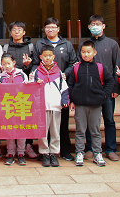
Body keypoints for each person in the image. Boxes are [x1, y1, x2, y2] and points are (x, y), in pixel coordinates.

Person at [32, 17, 77, 161]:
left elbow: (73, 63)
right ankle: (44, 153)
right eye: (47, 27)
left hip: (60, 86)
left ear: (58, 29)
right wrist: (35, 76)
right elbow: (35, 63)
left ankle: (63, 150)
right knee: (44, 124)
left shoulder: (67, 44)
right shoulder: (40, 44)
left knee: (61, 123)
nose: (50, 29)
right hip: (44, 87)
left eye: (53, 27)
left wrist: (64, 74)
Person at [79, 15, 120, 162]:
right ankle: (90, 148)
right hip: (89, 90)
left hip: (107, 90)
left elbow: (117, 67)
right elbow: (79, 67)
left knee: (109, 119)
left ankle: (110, 149)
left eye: (98, 24)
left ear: (103, 26)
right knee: (90, 121)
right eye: (92, 24)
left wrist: (116, 88)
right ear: (89, 27)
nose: (95, 26)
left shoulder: (112, 44)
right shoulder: (84, 45)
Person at [66, 40, 114, 167]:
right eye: (83, 52)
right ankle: (79, 153)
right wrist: (72, 100)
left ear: (94, 52)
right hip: (80, 104)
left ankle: (97, 153)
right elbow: (70, 85)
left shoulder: (100, 67)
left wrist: (104, 94)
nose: (86, 54)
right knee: (80, 130)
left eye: (88, 52)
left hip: (96, 104)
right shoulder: (76, 68)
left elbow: (110, 81)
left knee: (95, 130)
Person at [3, 21, 37, 158]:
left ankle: (27, 146)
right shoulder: (6, 47)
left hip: (25, 89)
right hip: (9, 93)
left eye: (19, 29)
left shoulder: (31, 47)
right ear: (10, 32)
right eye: (14, 30)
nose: (16, 32)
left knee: (25, 118)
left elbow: (35, 65)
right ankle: (11, 150)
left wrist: (28, 66)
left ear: (24, 32)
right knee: (10, 119)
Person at [31, 45, 69, 168]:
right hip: (41, 107)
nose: (47, 58)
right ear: (40, 57)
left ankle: (54, 153)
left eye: (49, 55)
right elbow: (31, 89)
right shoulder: (37, 72)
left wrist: (65, 101)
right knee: (42, 132)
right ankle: (44, 153)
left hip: (56, 106)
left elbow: (64, 88)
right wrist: (35, 83)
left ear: (54, 56)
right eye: (45, 56)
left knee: (55, 131)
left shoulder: (58, 72)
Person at [0, 53, 28, 166]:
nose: (7, 66)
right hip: (8, 107)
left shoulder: (22, 75)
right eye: (4, 64)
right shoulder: (1, 77)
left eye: (9, 63)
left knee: (21, 131)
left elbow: (28, 89)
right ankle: (10, 153)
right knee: (9, 131)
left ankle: (21, 154)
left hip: (20, 106)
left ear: (14, 63)